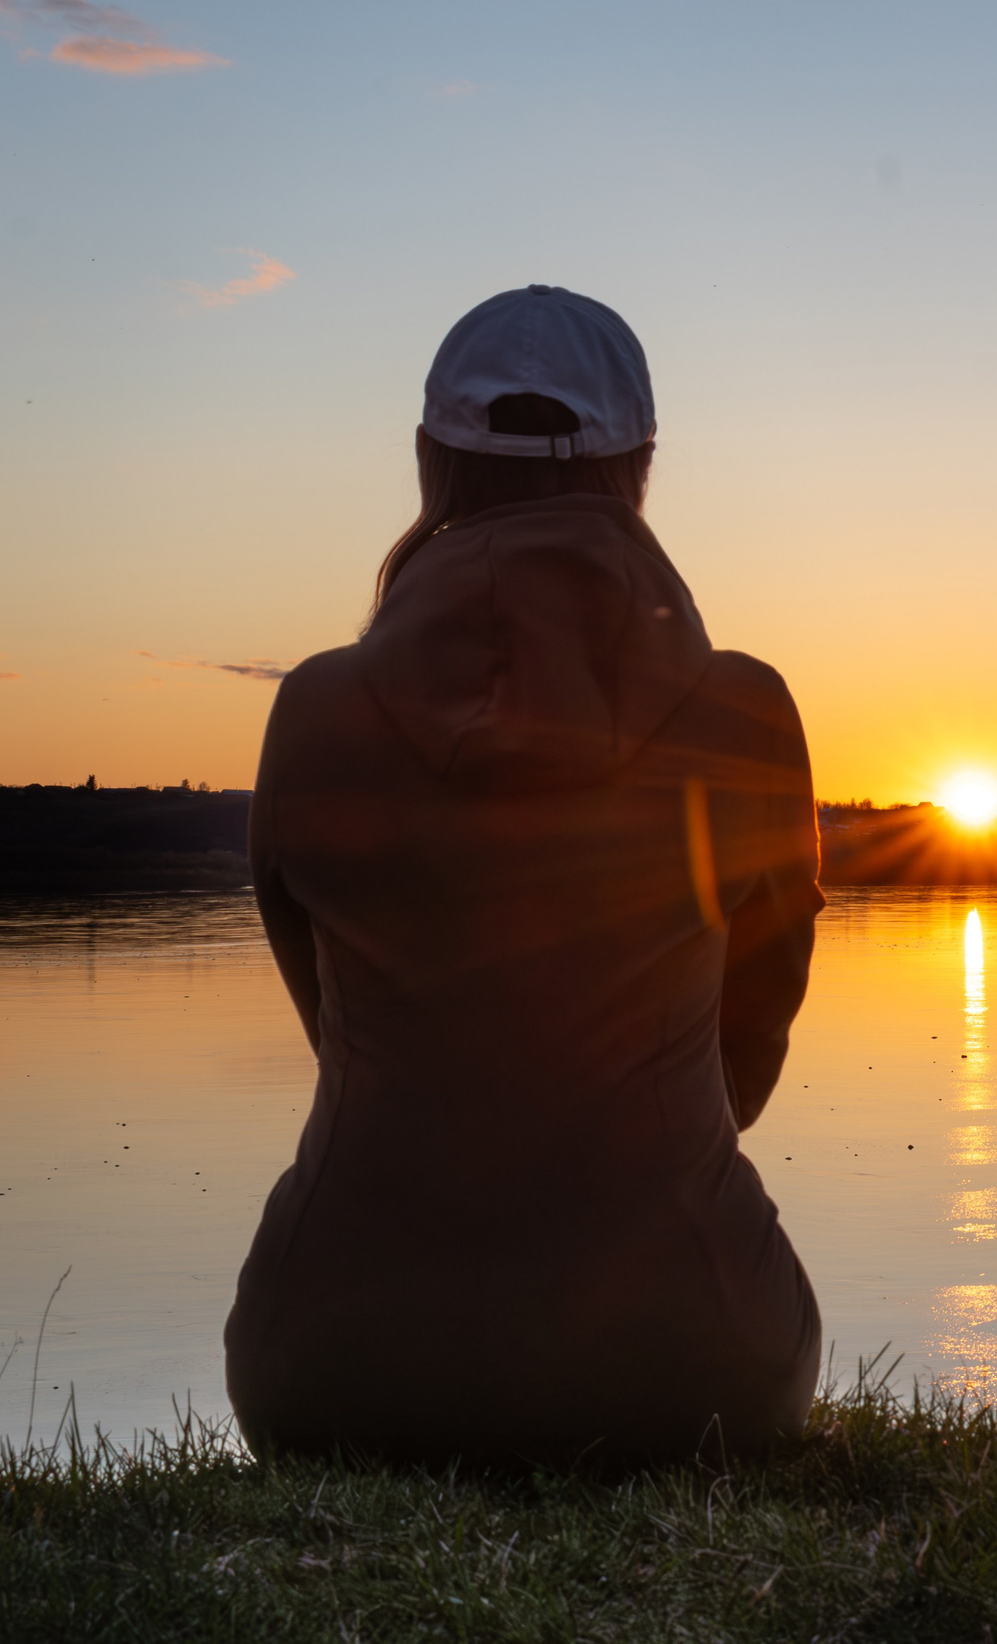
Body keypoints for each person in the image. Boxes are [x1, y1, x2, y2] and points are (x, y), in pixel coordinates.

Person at [225, 286, 824, 1468]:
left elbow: (341, 1036)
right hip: (689, 1369)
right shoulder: (743, 712)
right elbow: (743, 1059)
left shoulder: (315, 712)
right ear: (641, 464)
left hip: (337, 1372)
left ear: (427, 460)